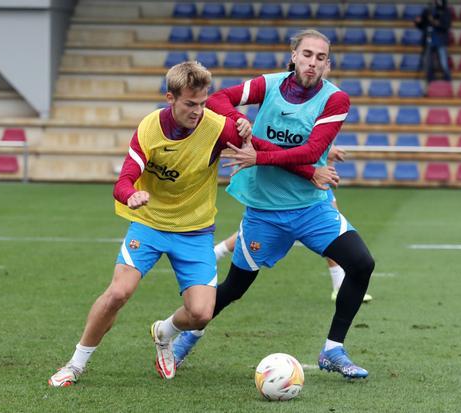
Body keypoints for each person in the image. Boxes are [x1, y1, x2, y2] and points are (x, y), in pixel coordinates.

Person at [47, 61, 339, 386]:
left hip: (195, 231)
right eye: (190, 103)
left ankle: (164, 332)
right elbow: (124, 180)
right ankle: (75, 364)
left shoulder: (217, 127)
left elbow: (262, 151)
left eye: (202, 103)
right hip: (150, 224)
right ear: (169, 98)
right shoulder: (149, 128)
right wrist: (130, 195)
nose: (198, 111)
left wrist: (311, 165)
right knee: (118, 292)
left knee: (201, 313)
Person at [169, 29, 375, 379]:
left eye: (320, 58)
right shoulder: (269, 84)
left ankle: (333, 349)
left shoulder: (335, 99)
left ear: (328, 64)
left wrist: (259, 155)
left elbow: (310, 152)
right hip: (265, 211)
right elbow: (218, 100)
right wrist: (238, 120)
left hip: (312, 208)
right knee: (234, 288)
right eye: (307, 55)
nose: (312, 63)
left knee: (362, 263)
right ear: (294, 55)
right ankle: (185, 337)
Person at [214, 144, 373, 303]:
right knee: (261, 231)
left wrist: (325, 149)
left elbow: (314, 136)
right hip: (292, 182)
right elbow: (290, 141)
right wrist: (325, 150)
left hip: (313, 180)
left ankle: (338, 284)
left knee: (333, 228)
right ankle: (217, 253)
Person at [414, 0, 452, 84]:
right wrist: (418, 23)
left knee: (443, 61)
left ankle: (448, 79)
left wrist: (435, 22)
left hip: (440, 39)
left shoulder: (445, 11)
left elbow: (446, 26)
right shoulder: (427, 11)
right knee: (428, 62)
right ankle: (430, 79)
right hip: (428, 39)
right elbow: (422, 26)